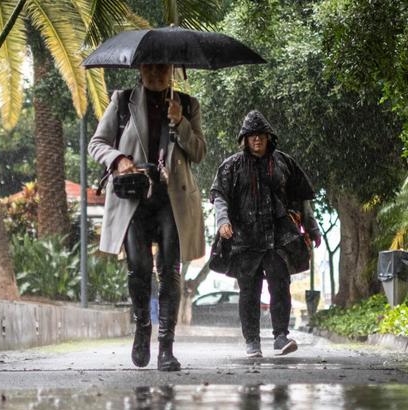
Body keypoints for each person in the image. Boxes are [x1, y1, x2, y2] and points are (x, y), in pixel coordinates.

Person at [88, 63, 206, 372]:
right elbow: (97, 144)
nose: (156, 75)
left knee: (169, 270)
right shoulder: (122, 101)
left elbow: (198, 152)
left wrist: (180, 122)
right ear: (140, 70)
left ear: (171, 71)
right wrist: (119, 160)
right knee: (138, 267)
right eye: (150, 68)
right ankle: (142, 329)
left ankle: (166, 347)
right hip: (134, 197)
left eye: (162, 69)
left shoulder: (188, 104)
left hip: (173, 200)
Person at [211, 110, 321, 358]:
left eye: (261, 135)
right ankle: (252, 341)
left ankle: (281, 337)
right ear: (245, 139)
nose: (257, 140)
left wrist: (312, 227)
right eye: (252, 136)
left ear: (269, 137)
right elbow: (219, 197)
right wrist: (223, 221)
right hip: (244, 239)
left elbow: (302, 200)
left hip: (278, 237)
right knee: (249, 290)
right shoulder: (231, 166)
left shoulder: (284, 163)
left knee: (280, 285)